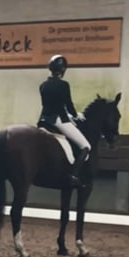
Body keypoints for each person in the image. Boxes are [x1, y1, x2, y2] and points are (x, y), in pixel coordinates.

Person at [38, 54, 90, 186]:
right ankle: (73, 175)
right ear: (63, 69)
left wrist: (69, 114)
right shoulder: (63, 85)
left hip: (43, 120)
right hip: (58, 120)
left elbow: (48, 105)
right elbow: (68, 104)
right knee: (86, 146)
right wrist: (76, 115)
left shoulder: (43, 85)